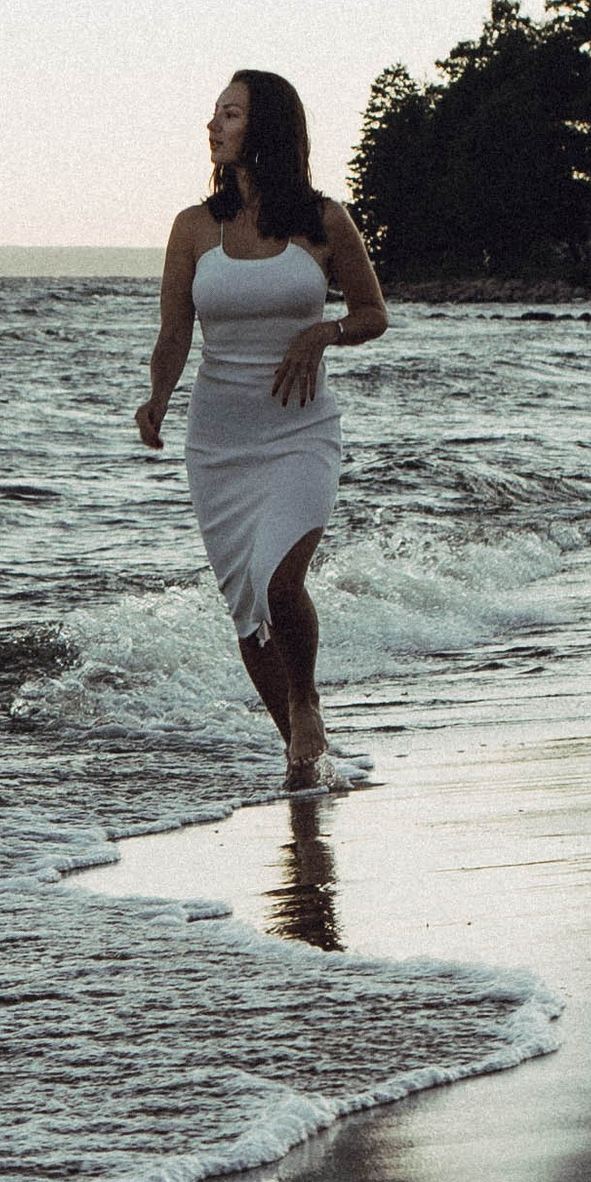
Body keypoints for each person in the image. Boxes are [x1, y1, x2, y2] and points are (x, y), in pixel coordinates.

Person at [134, 70, 389, 783]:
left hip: (301, 431)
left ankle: (305, 701)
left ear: (266, 127)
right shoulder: (194, 227)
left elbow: (373, 313)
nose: (213, 126)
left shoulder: (325, 220)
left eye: (230, 114)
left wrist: (324, 334)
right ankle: (300, 753)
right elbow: (174, 333)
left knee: (277, 580)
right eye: (215, 113)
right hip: (218, 443)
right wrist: (156, 397)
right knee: (247, 605)